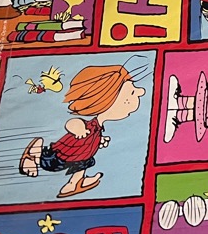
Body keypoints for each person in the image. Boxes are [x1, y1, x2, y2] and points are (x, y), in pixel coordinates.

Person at [19, 64, 146, 198]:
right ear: (105, 100)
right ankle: (33, 157)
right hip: (63, 155)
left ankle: (74, 183)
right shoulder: (89, 125)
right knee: (49, 163)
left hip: (80, 156)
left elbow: (92, 138)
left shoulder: (98, 127)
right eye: (132, 92)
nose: (141, 91)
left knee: (85, 163)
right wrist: (79, 129)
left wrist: (99, 141)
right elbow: (72, 123)